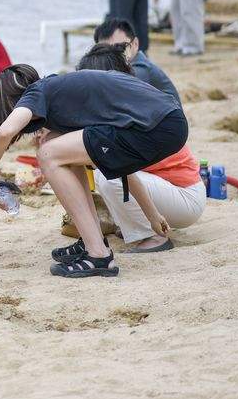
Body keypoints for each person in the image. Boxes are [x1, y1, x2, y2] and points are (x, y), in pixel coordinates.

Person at [0, 64, 187, 278]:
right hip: (167, 121)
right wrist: (152, 215)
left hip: (157, 125)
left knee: (48, 154)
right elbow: (122, 169)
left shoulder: (36, 92)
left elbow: (4, 132)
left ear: (10, 102)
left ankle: (98, 254)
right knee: (55, 145)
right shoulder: (63, 97)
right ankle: (93, 240)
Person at [76, 44, 205, 252]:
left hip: (185, 196)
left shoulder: (128, 113)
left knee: (108, 174)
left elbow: (123, 171)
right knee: (105, 168)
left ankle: (155, 236)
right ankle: (135, 225)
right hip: (166, 188)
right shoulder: (128, 101)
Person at [93, 18, 181, 106]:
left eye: (119, 47)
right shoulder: (122, 68)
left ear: (135, 44)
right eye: (104, 51)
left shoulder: (140, 70)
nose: (112, 54)